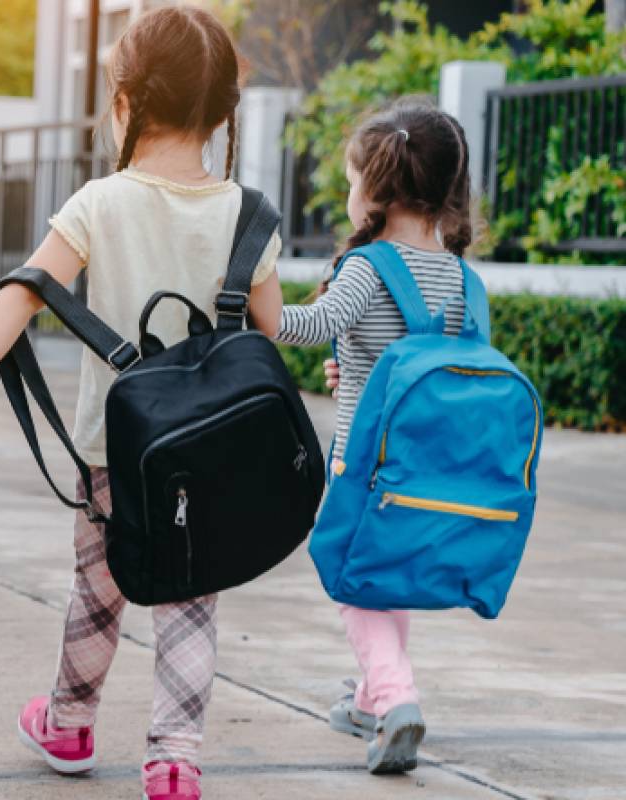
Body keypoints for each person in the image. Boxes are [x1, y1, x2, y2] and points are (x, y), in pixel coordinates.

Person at [0, 8, 279, 800]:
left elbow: (24, 291)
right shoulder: (247, 214)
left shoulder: (99, 202)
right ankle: (174, 759)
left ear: (123, 103)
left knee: (98, 589)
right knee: (190, 597)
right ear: (222, 115)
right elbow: (269, 327)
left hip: (112, 452)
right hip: (207, 455)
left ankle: (69, 722)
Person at [274, 101, 476, 775]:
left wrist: (255, 299)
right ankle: (368, 699)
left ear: (375, 188)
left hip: (363, 463)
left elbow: (309, 326)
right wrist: (355, 365)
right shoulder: (459, 275)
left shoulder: (367, 266)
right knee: (387, 576)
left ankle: (395, 696)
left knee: (351, 578)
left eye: (351, 180)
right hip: (426, 464)